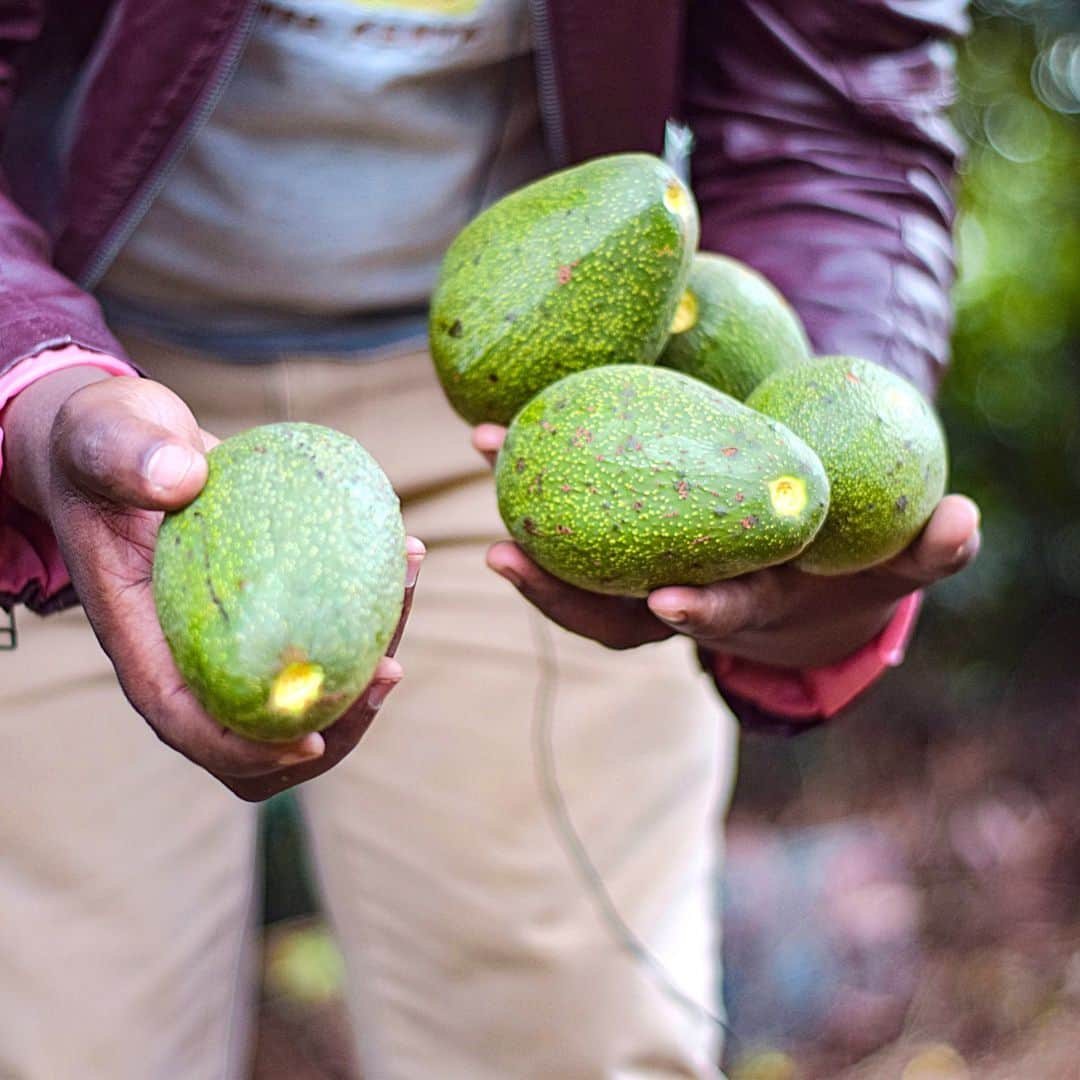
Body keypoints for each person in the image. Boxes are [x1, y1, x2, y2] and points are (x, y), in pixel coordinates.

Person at [0, 1, 980, 1077]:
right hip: (81, 398)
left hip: (550, 403)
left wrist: (824, 488)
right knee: (68, 1033)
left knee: (562, 1028)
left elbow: (832, 114)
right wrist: (28, 383)